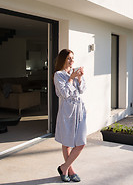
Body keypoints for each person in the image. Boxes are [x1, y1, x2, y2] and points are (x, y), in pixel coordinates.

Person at [53, 49, 86, 183]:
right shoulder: (58, 75)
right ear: (63, 60)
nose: (72, 61)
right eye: (69, 58)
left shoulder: (74, 73)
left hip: (79, 109)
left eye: (73, 58)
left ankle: (63, 167)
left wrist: (79, 77)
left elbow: (82, 90)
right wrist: (71, 78)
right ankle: (70, 170)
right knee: (67, 143)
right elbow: (65, 93)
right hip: (67, 110)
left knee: (81, 143)